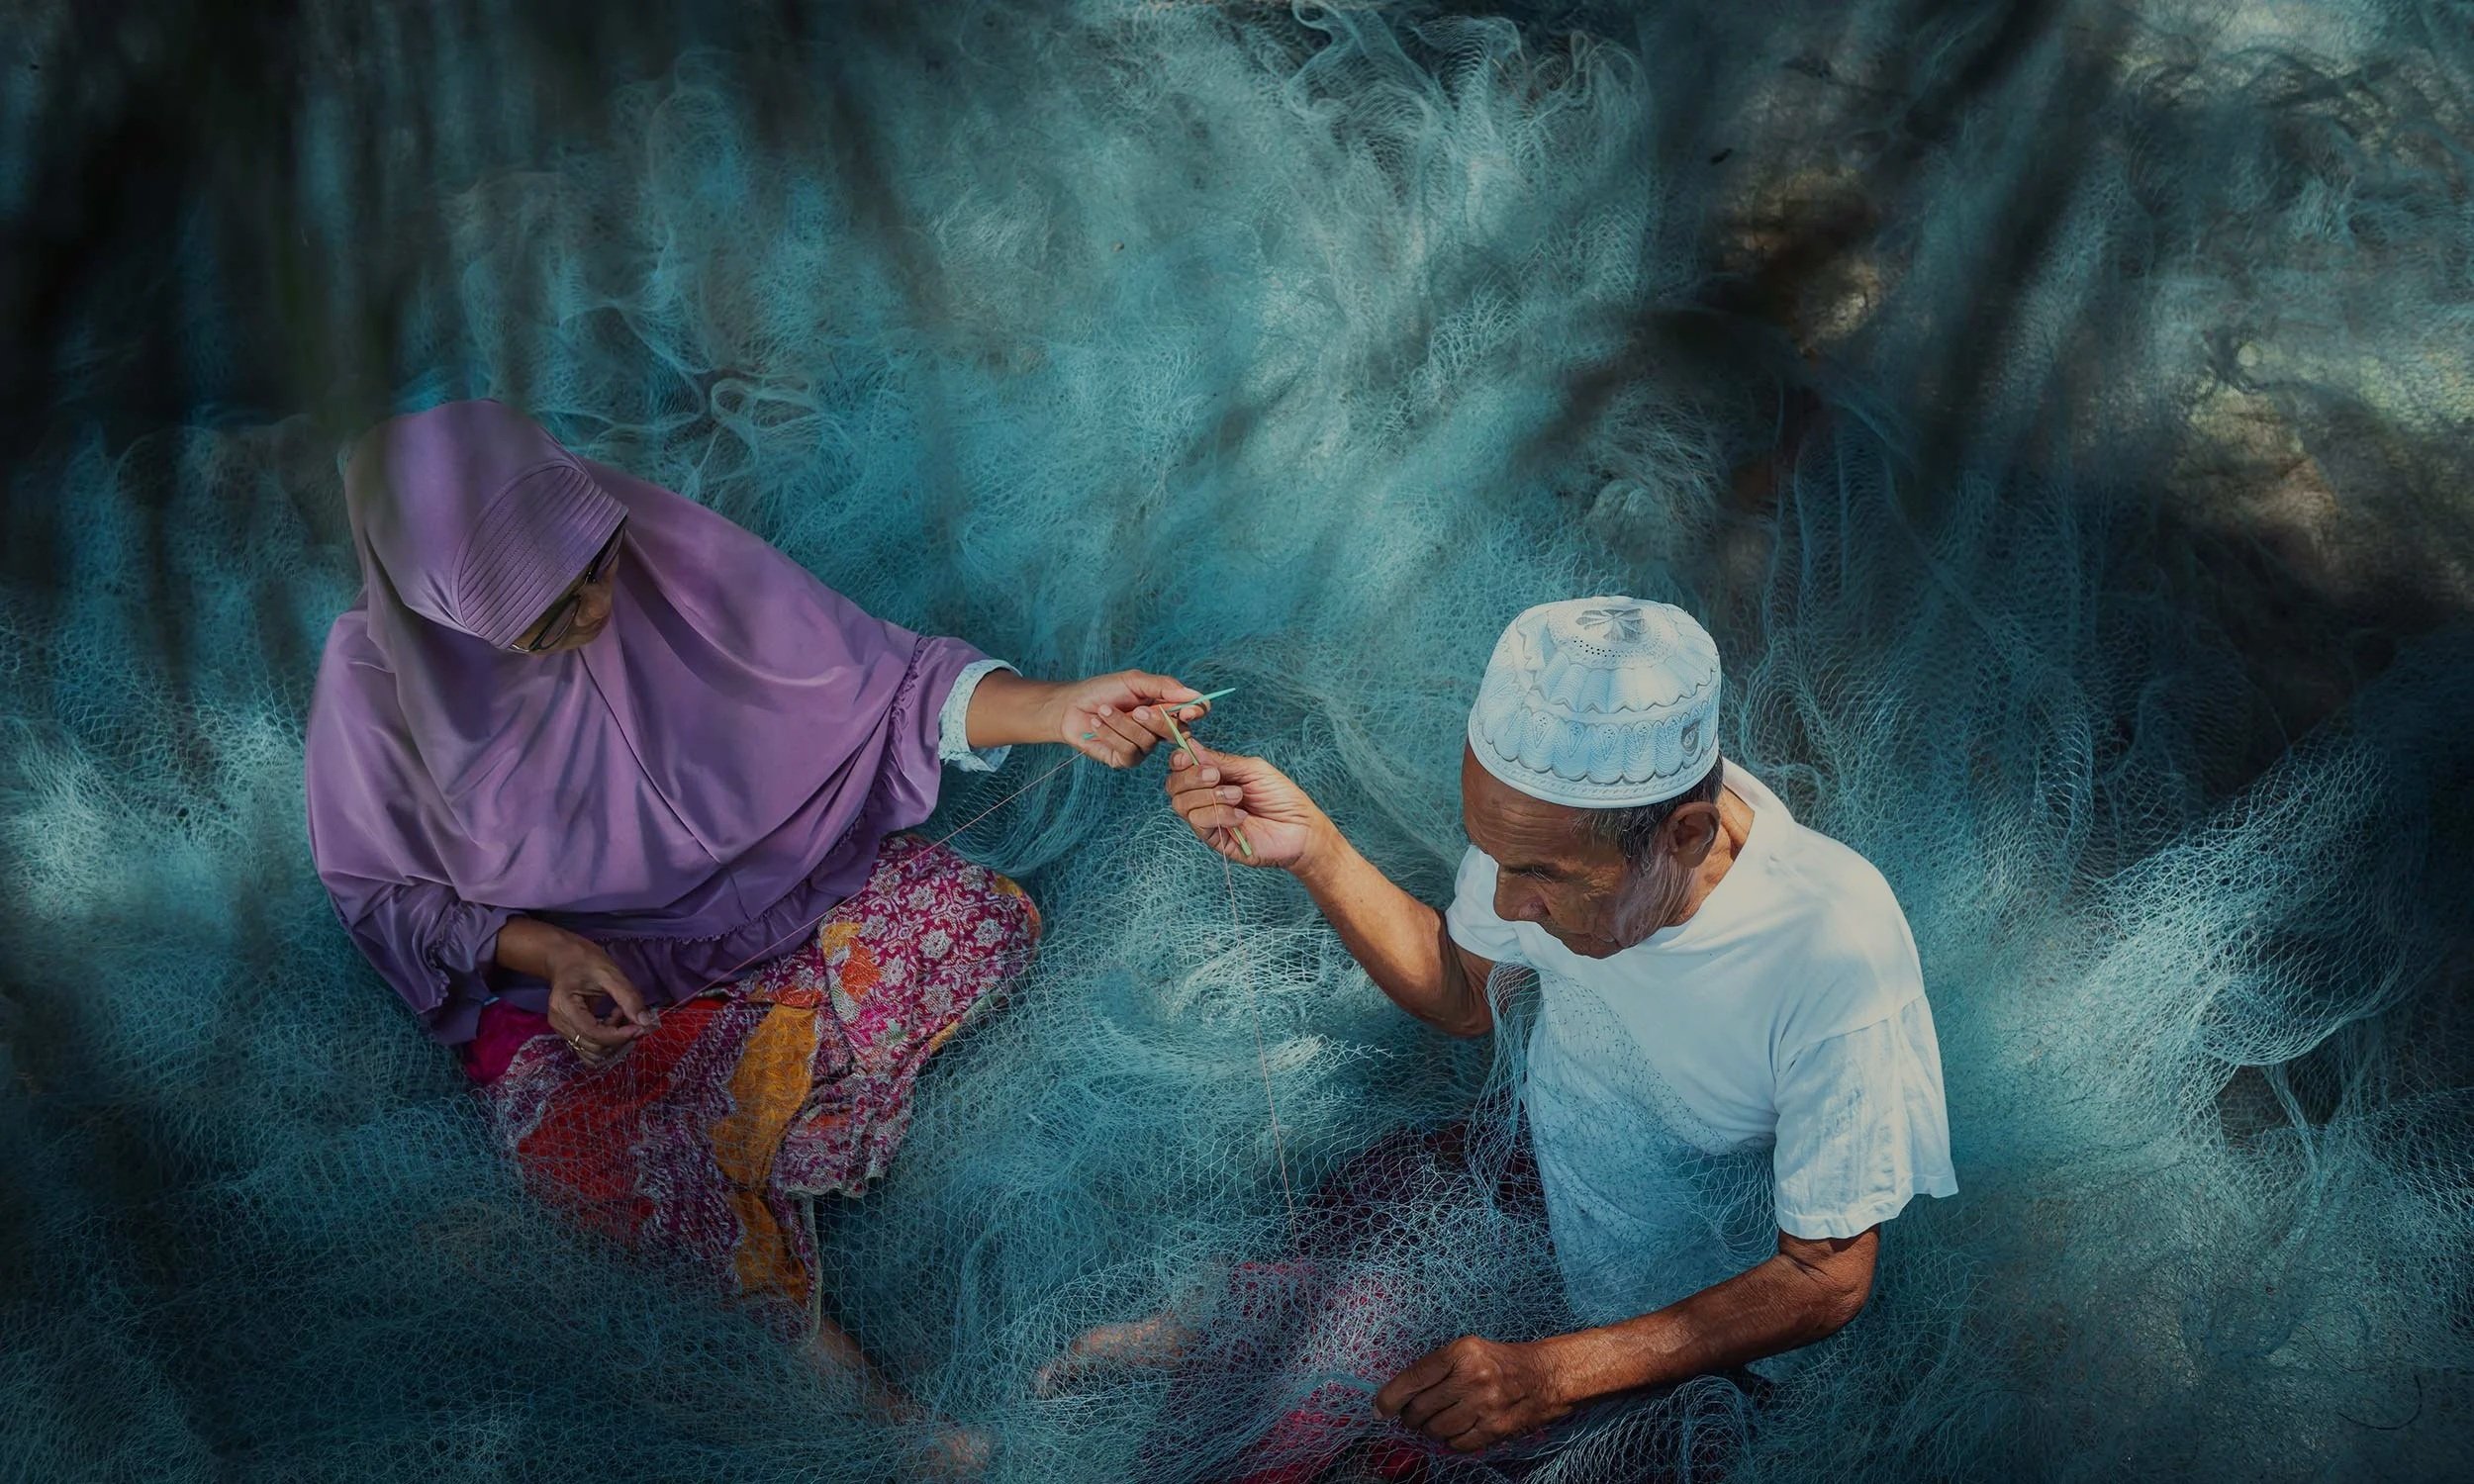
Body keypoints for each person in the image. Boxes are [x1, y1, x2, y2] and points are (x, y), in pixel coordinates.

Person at [303, 399, 1205, 1439]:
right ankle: (883, 1420)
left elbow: (887, 688)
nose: (597, 610)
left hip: (787, 907)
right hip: (602, 987)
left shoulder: (659, 552)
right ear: (446, 618)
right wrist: (546, 948)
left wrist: (1056, 709)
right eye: (543, 621)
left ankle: (745, 1123)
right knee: (584, 1154)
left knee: (980, 922)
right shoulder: (376, 688)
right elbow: (381, 892)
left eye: (596, 570)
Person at [1107, 597, 1956, 1477]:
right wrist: (1314, 849)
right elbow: (1467, 993)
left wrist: (1550, 1375)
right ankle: (1215, 1344)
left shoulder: (1829, 951)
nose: (1512, 907)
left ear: (1686, 835)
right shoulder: (1545, 814)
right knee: (1301, 1376)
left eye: (1546, 878)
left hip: (1687, 1326)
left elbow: (1826, 1277)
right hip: (1530, 1191)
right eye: (1496, 857)